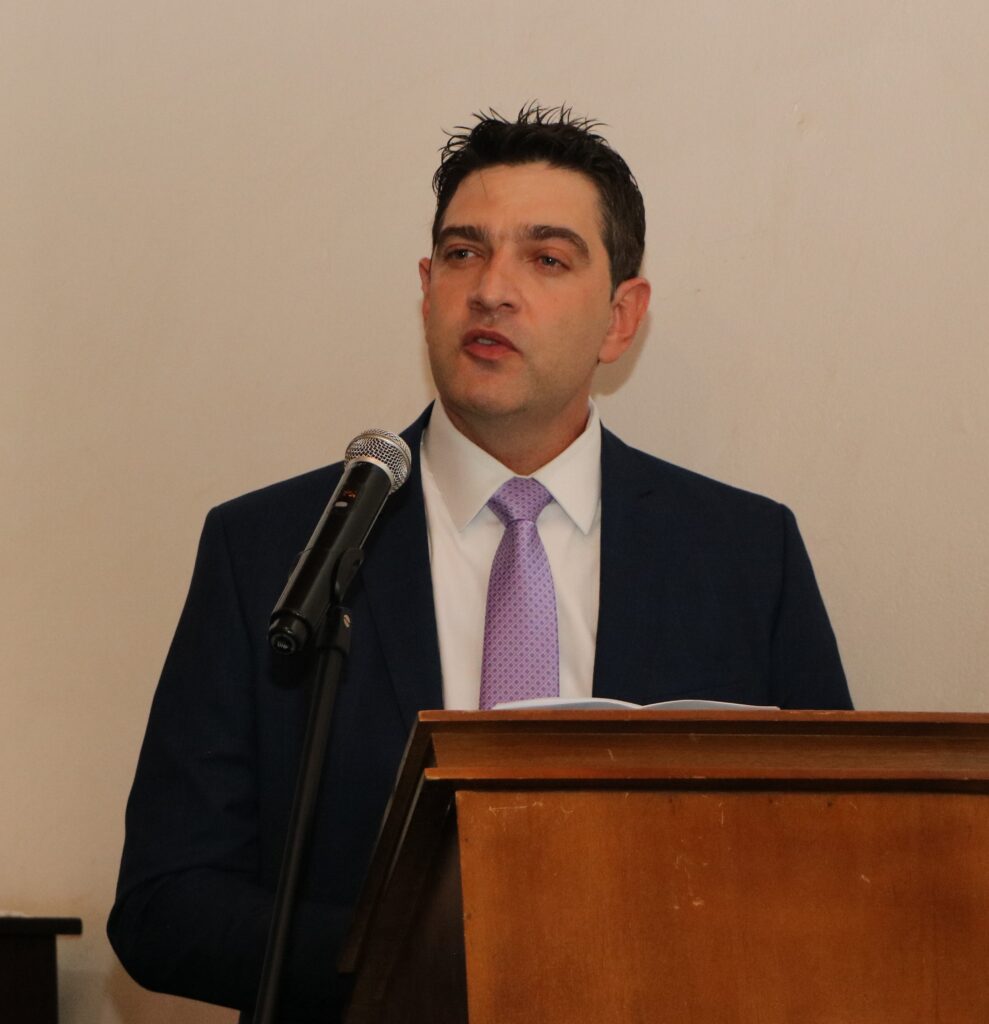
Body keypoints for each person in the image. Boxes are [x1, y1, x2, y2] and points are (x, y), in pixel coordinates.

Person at [108, 104, 851, 1022]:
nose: (492, 289)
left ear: (621, 318)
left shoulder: (743, 556)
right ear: (427, 290)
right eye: (463, 253)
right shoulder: (270, 548)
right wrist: (418, 960)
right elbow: (166, 903)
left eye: (547, 259)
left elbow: (836, 866)